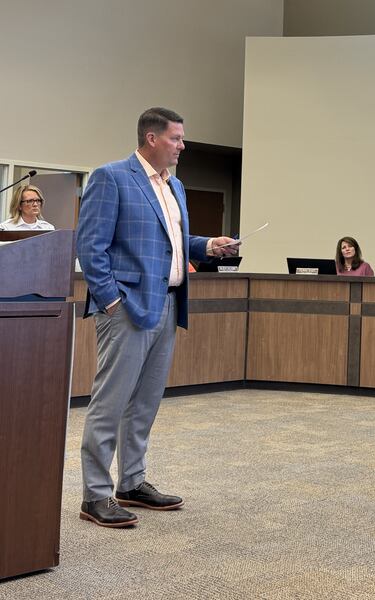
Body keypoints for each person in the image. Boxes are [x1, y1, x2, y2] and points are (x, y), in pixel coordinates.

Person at [76, 107, 239, 528]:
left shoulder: (175, 185)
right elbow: (90, 246)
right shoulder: (111, 177)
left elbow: (173, 240)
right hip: (127, 306)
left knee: (145, 402)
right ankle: (94, 494)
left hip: (168, 303)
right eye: (176, 138)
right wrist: (112, 301)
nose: (182, 146)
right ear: (152, 138)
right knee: (110, 402)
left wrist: (206, 246)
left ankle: (131, 482)